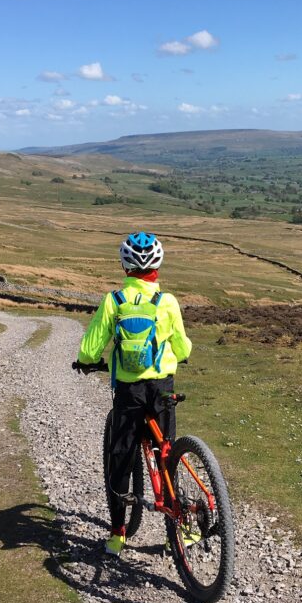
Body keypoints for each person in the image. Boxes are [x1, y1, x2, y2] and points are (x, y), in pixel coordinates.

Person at [75, 232, 192, 556]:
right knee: (167, 455)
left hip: (129, 392)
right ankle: (176, 535)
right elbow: (183, 347)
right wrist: (178, 354)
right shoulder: (167, 302)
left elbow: (89, 348)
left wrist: (86, 362)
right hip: (162, 389)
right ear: (157, 264)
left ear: (125, 265)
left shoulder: (114, 301)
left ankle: (117, 535)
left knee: (120, 462)